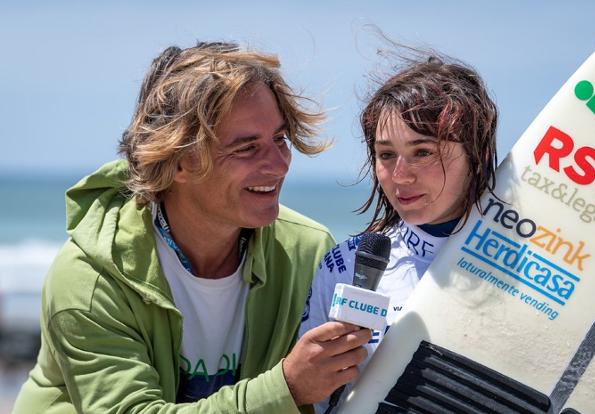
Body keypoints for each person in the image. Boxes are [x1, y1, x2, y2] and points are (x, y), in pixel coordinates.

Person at [13, 41, 371, 414]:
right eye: (247, 148)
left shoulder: (307, 253)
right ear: (179, 162)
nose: (278, 164)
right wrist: (288, 388)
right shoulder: (91, 278)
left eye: (279, 139)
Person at [299, 52, 498, 411]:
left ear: (475, 153)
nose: (400, 175)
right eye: (386, 155)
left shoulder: (528, 259)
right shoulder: (344, 264)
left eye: (422, 151)